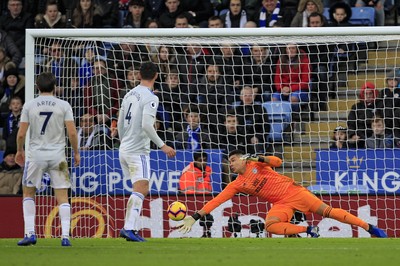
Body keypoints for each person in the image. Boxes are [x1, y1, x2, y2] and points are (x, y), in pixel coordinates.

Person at [178, 149, 388, 238]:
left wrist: (259, 158)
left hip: (294, 191)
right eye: (229, 162)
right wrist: (195, 216)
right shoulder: (237, 184)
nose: (230, 164)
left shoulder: (255, 163)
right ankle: (307, 229)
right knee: (271, 225)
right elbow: (217, 200)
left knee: (328, 211)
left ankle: (369, 227)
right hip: (280, 203)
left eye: (233, 160)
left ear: (242, 159)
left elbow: (278, 162)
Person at [15, 72, 80, 246]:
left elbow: (21, 134)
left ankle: (30, 234)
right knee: (62, 196)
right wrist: (76, 152)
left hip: (36, 155)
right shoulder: (63, 105)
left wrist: (19, 151)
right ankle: (65, 236)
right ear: (54, 87)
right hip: (58, 156)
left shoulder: (29, 105)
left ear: (37, 87)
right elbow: (72, 132)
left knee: (28, 193)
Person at [118, 61, 176, 242]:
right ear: (156, 76)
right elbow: (146, 125)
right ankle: (128, 228)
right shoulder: (151, 97)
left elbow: (120, 122)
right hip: (137, 150)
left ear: (139, 75)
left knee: (139, 188)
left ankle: (131, 229)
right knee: (142, 188)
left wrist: (123, 141)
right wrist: (162, 145)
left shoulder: (129, 94)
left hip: (124, 148)